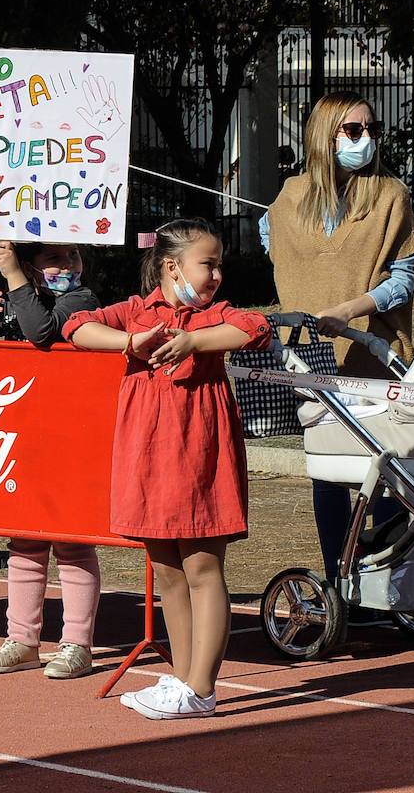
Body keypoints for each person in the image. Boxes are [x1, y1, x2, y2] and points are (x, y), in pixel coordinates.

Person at [63, 219, 271, 719]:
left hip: (199, 451)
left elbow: (256, 328)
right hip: (147, 451)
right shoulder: (135, 312)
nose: (217, 274)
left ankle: (201, 688)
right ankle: (182, 680)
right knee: (165, 570)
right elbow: (75, 326)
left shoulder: (214, 315)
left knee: (203, 567)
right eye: (209, 264)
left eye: (219, 264)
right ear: (171, 266)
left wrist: (194, 343)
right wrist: (127, 343)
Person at [259, 91, 414, 584]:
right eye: (353, 130)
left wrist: (349, 309)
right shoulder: (288, 199)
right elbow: (274, 247)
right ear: (324, 135)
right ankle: (339, 578)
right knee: (328, 472)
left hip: (374, 352)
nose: (365, 139)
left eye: (372, 129)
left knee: (388, 471)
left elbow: (405, 278)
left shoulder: (391, 195)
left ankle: (389, 580)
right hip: (312, 359)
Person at [0, 240, 103, 679]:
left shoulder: (81, 299)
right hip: (20, 437)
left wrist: (15, 278)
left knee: (73, 544)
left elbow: (41, 332)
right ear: (35, 266)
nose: (67, 264)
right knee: (25, 542)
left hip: (71, 436)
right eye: (54, 258)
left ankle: (77, 644)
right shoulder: (18, 297)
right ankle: (22, 639)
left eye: (72, 255)